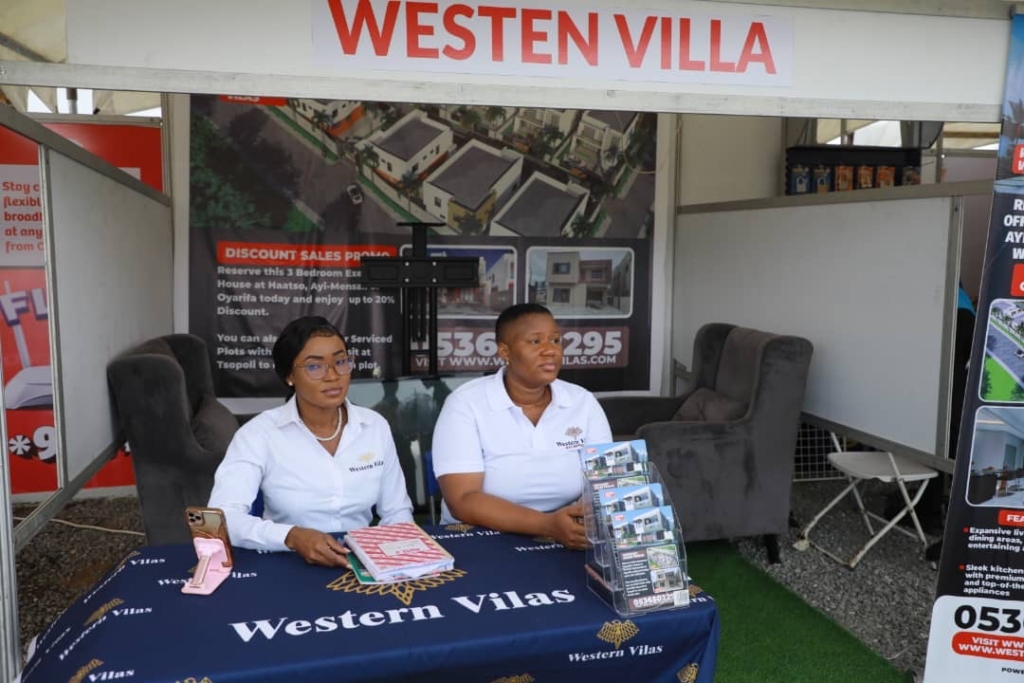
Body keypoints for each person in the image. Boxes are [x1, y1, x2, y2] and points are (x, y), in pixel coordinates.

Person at [208, 316, 413, 567]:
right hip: (288, 562)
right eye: (315, 366)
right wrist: (291, 536)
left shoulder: (374, 426)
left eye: (340, 361)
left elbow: (397, 512)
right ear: (289, 376)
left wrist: (397, 563)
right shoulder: (258, 435)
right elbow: (221, 518)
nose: (333, 376)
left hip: (359, 563)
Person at [431, 303, 612, 550]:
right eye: (535, 342)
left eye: (556, 340)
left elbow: (606, 481)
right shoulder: (465, 404)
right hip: (480, 535)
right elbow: (462, 500)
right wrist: (548, 525)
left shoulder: (583, 402)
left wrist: (582, 517)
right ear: (505, 351)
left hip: (568, 534)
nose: (550, 350)